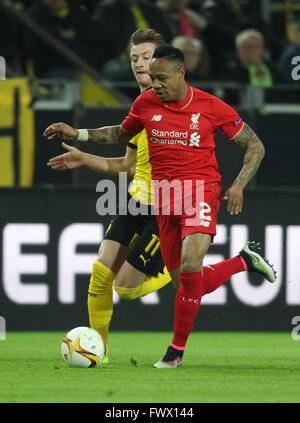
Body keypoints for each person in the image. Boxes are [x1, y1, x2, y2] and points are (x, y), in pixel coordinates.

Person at [44, 45, 277, 368]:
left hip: (201, 191)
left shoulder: (210, 106)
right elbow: (119, 134)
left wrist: (237, 185)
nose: (155, 84)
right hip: (163, 198)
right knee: (187, 281)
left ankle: (175, 352)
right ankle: (243, 262)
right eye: (152, 78)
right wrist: (79, 134)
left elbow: (254, 145)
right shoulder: (145, 103)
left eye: (162, 78)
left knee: (191, 263)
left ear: (181, 73)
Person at [47, 29, 177, 362]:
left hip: (168, 203)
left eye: (146, 57)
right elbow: (130, 165)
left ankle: (180, 267)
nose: (138, 64)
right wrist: (82, 156)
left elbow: (118, 134)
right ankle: (98, 352)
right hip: (137, 199)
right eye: (134, 58)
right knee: (102, 271)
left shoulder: (172, 101)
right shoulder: (142, 104)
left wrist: (79, 134)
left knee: (127, 288)